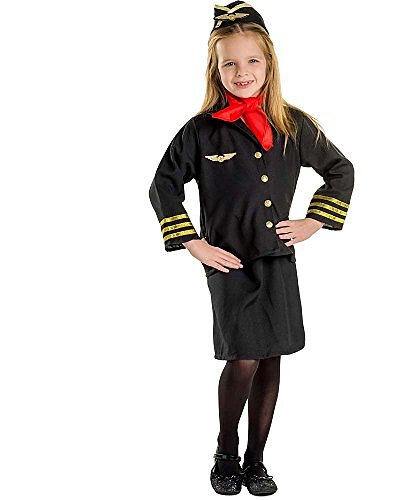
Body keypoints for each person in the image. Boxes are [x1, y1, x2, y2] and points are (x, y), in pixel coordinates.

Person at [148, 1, 355, 495]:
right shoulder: (200, 130)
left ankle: (256, 460)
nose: (242, 72)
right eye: (230, 63)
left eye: (252, 61)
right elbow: (163, 185)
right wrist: (193, 243)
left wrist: (314, 221)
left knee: (272, 357)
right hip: (229, 263)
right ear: (215, 69)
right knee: (243, 357)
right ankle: (225, 453)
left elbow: (340, 170)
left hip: (277, 258)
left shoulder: (293, 124)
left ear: (269, 63)